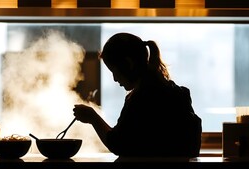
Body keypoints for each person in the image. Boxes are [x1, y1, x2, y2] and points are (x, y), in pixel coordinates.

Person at [73, 32, 202, 159]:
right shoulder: (176, 93)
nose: (114, 79)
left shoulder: (142, 98)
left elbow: (118, 144)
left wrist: (93, 118)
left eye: (114, 71)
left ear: (128, 64)